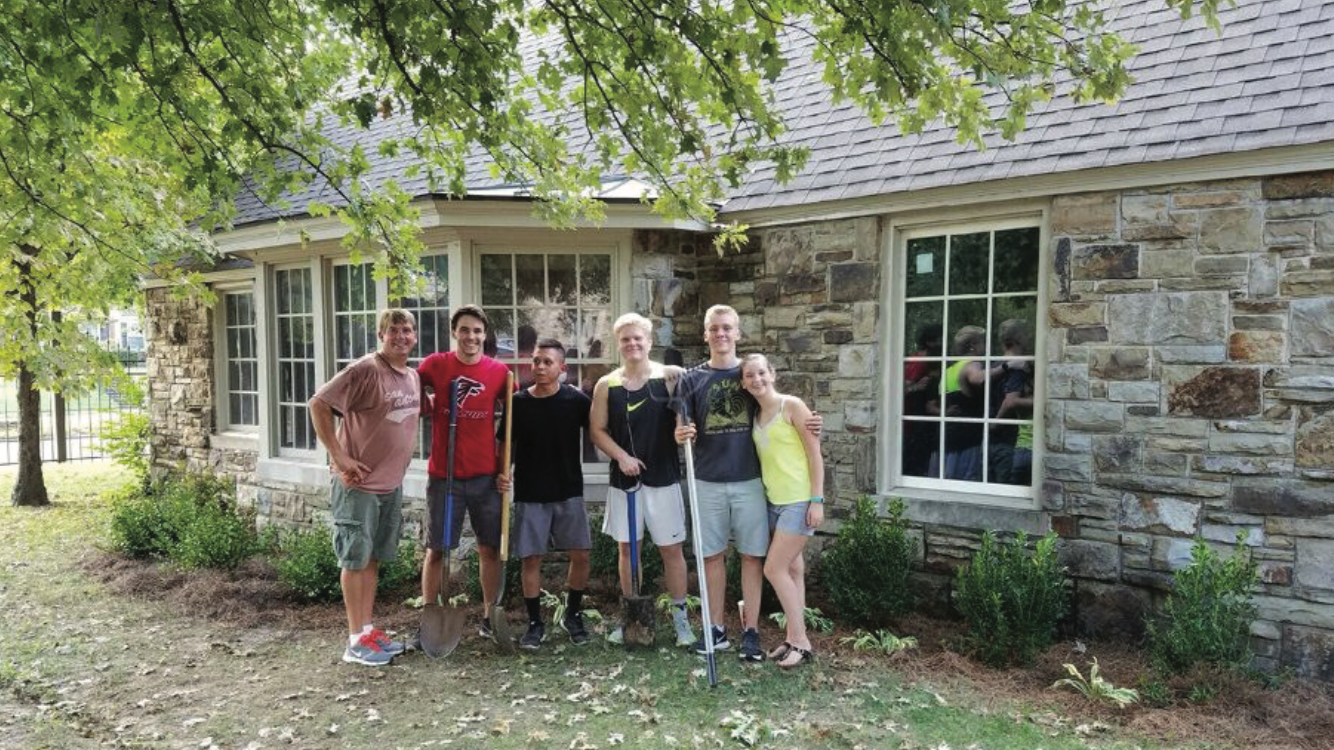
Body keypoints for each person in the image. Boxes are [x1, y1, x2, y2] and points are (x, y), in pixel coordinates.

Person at [672, 305, 820, 662]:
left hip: (751, 482)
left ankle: (751, 632)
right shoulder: (690, 379)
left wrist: (812, 423)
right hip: (707, 480)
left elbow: (782, 410)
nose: (721, 334)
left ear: (737, 333)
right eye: (714, 329)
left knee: (753, 558)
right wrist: (679, 433)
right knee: (712, 557)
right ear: (705, 334)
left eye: (727, 328)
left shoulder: (749, 373)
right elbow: (680, 421)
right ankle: (717, 629)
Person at [308, 309, 421, 666]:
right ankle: (355, 642)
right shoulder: (365, 369)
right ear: (380, 335)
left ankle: (367, 632)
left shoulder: (413, 377)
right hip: (359, 485)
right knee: (355, 560)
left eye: (407, 330)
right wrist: (339, 456)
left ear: (414, 337)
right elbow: (318, 404)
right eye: (393, 330)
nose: (400, 336)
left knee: (371, 559)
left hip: (390, 485)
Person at [589, 313, 696, 647]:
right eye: (625, 339)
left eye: (638, 338)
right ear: (618, 344)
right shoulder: (607, 384)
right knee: (627, 549)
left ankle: (681, 623)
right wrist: (621, 457)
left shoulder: (669, 377)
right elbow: (597, 430)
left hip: (663, 477)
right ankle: (631, 617)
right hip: (624, 481)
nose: (632, 344)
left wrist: (682, 432)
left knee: (671, 550)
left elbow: (683, 418)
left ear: (650, 341)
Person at [417, 304, 513, 639]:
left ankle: (489, 616)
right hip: (444, 476)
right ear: (453, 332)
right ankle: (430, 617)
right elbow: (409, 382)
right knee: (438, 549)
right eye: (465, 330)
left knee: (489, 548)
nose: (471, 336)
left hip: (485, 477)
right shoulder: (436, 365)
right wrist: (424, 404)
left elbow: (513, 423)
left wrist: (505, 469)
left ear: (484, 335)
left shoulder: (499, 372)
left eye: (477, 331)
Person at [496, 339, 594, 648]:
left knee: (581, 554)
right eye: (536, 361)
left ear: (562, 368)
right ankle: (535, 623)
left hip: (568, 489)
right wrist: (503, 472)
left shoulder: (577, 401)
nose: (539, 366)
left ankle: (572, 614)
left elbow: (600, 432)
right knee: (531, 559)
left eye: (547, 362)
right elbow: (505, 445)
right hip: (530, 491)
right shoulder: (518, 403)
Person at [740, 353, 824, 668]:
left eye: (761, 373)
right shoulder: (756, 415)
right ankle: (791, 639)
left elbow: (815, 453)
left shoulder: (793, 405)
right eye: (749, 376)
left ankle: (801, 642)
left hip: (799, 501)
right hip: (774, 502)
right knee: (792, 570)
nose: (756, 380)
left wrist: (817, 500)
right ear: (744, 383)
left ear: (772, 374)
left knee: (773, 569)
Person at [990, 319, 1034, 485]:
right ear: (1019, 338)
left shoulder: (994, 364)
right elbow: (1010, 401)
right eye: (1026, 335)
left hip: (990, 442)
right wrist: (995, 423)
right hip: (1008, 441)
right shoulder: (1019, 366)